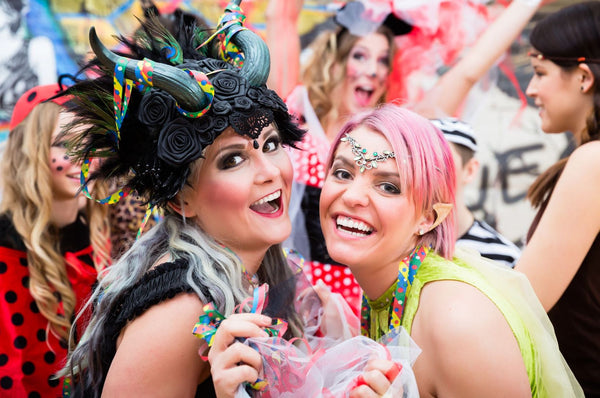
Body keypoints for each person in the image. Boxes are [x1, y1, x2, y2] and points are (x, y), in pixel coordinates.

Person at [58, 5, 332, 396]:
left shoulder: (258, 270)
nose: (270, 171)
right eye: (232, 159)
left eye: (271, 144)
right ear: (180, 201)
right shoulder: (180, 313)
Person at [265, 0, 545, 311]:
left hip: (362, 306)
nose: (373, 70)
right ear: (335, 61)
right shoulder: (293, 116)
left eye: (384, 60)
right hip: (289, 300)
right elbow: (281, 17)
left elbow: (468, 71)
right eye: (360, 55)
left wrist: (527, 4)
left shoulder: (402, 136)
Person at [319, 104, 583, 397]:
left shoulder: (458, 320)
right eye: (342, 173)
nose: (352, 196)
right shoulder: (383, 291)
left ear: (428, 218)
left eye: (388, 187)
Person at [0, 84, 110, 397]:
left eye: (91, 143)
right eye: (65, 144)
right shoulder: (6, 249)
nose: (83, 156)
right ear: (31, 151)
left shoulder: (102, 232)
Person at [514, 2, 600, 395]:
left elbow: (523, 304)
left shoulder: (593, 163)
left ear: (583, 77)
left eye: (539, 73)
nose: (530, 89)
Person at [431, 117, 521, 267]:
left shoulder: (504, 259)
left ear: (470, 170)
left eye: (440, 160)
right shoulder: (394, 240)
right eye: (417, 159)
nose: (426, 169)